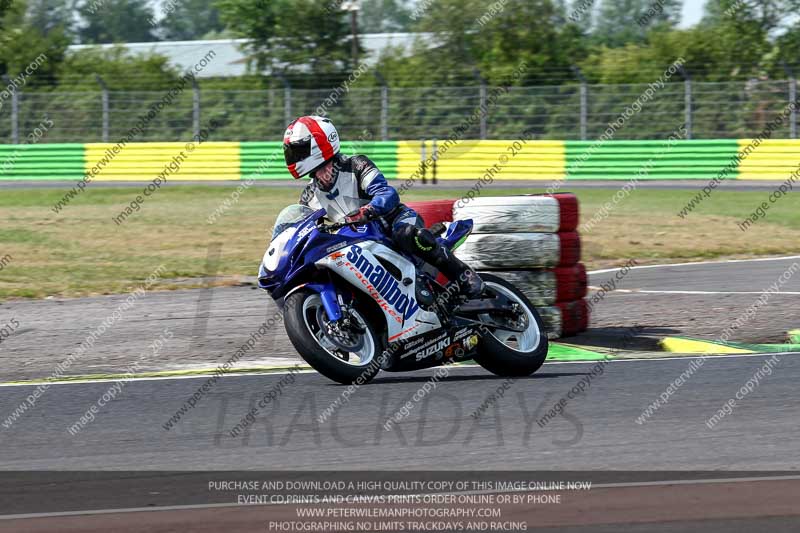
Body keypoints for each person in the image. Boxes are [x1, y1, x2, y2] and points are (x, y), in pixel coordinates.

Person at [283, 115, 484, 298]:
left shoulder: (356, 165)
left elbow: (387, 193)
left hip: (392, 222)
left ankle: (464, 277)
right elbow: (304, 228)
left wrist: (367, 210)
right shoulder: (309, 195)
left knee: (406, 234)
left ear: (322, 142)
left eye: (300, 150)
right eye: (292, 152)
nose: (295, 157)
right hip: (355, 244)